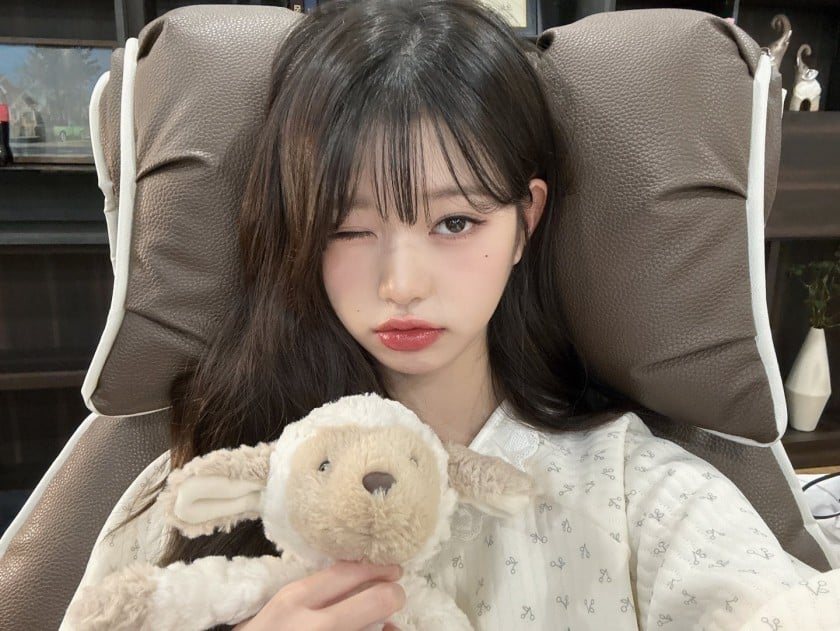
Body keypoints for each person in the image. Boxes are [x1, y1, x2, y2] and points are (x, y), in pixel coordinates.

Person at [61, 0, 840, 629]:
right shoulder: (211, 477)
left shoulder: (639, 491)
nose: (402, 284)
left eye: (455, 221)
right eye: (346, 225)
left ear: (525, 221)